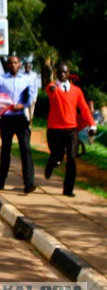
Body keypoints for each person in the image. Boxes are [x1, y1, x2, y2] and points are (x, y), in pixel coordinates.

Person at [44, 63, 97, 197]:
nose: (62, 74)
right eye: (60, 72)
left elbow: (84, 109)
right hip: (55, 130)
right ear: (56, 73)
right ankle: (51, 164)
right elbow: (50, 91)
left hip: (71, 129)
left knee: (72, 158)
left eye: (65, 72)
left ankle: (68, 189)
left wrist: (92, 124)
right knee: (57, 155)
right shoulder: (52, 88)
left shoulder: (76, 91)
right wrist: (52, 88)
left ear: (69, 74)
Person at [0, 55, 37, 193]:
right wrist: (3, 105)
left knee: (26, 149)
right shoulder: (0, 80)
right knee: (6, 150)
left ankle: (29, 183)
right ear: (7, 66)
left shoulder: (26, 80)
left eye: (15, 63)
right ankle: (2, 179)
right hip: (6, 118)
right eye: (10, 63)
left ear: (19, 64)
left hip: (21, 118)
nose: (13, 65)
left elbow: (31, 97)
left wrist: (23, 105)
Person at [23, 61, 39, 127]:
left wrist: (35, 96)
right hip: (25, 96)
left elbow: (36, 86)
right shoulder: (22, 75)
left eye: (29, 67)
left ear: (31, 67)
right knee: (26, 113)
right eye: (26, 67)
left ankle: (30, 124)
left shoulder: (34, 75)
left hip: (32, 96)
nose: (27, 68)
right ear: (25, 67)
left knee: (31, 112)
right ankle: (27, 124)